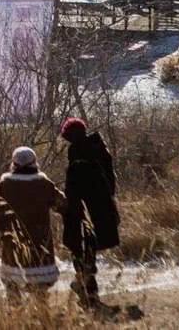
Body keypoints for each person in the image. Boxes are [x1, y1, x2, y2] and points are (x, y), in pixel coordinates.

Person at [0, 146, 65, 300]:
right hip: (40, 243)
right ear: (34, 162)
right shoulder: (43, 183)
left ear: (14, 163)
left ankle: (15, 313)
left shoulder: (5, 184)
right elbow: (62, 204)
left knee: (13, 287)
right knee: (40, 290)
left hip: (13, 242)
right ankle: (40, 313)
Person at [60, 117, 120, 310]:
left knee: (79, 245)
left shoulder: (77, 153)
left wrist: (68, 206)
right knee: (90, 246)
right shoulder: (98, 148)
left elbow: (74, 186)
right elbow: (110, 179)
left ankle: (87, 288)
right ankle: (86, 286)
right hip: (101, 205)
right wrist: (109, 199)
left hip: (82, 207)